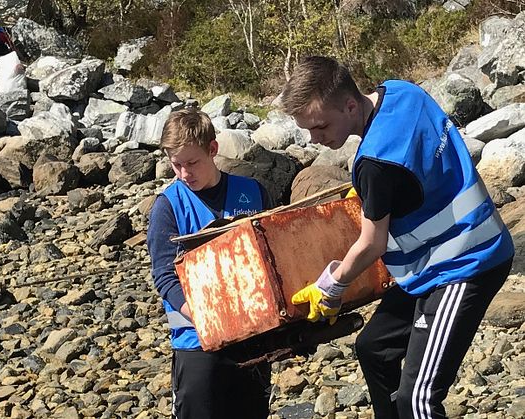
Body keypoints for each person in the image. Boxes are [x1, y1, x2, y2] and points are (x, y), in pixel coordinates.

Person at [280, 56, 514, 419]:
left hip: (467, 263)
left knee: (417, 400)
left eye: (321, 126)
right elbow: (417, 159)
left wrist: (331, 285)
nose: (316, 139)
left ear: (350, 104)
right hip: (433, 262)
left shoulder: (375, 164)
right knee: (374, 349)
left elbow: (372, 243)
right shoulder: (402, 91)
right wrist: (377, 196)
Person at [147, 108, 273, 419]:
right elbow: (165, 278)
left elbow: (274, 258)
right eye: (176, 165)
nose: (184, 174)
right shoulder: (168, 207)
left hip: (252, 336)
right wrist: (206, 318)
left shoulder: (253, 193)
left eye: (192, 163)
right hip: (197, 341)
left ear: (212, 150)